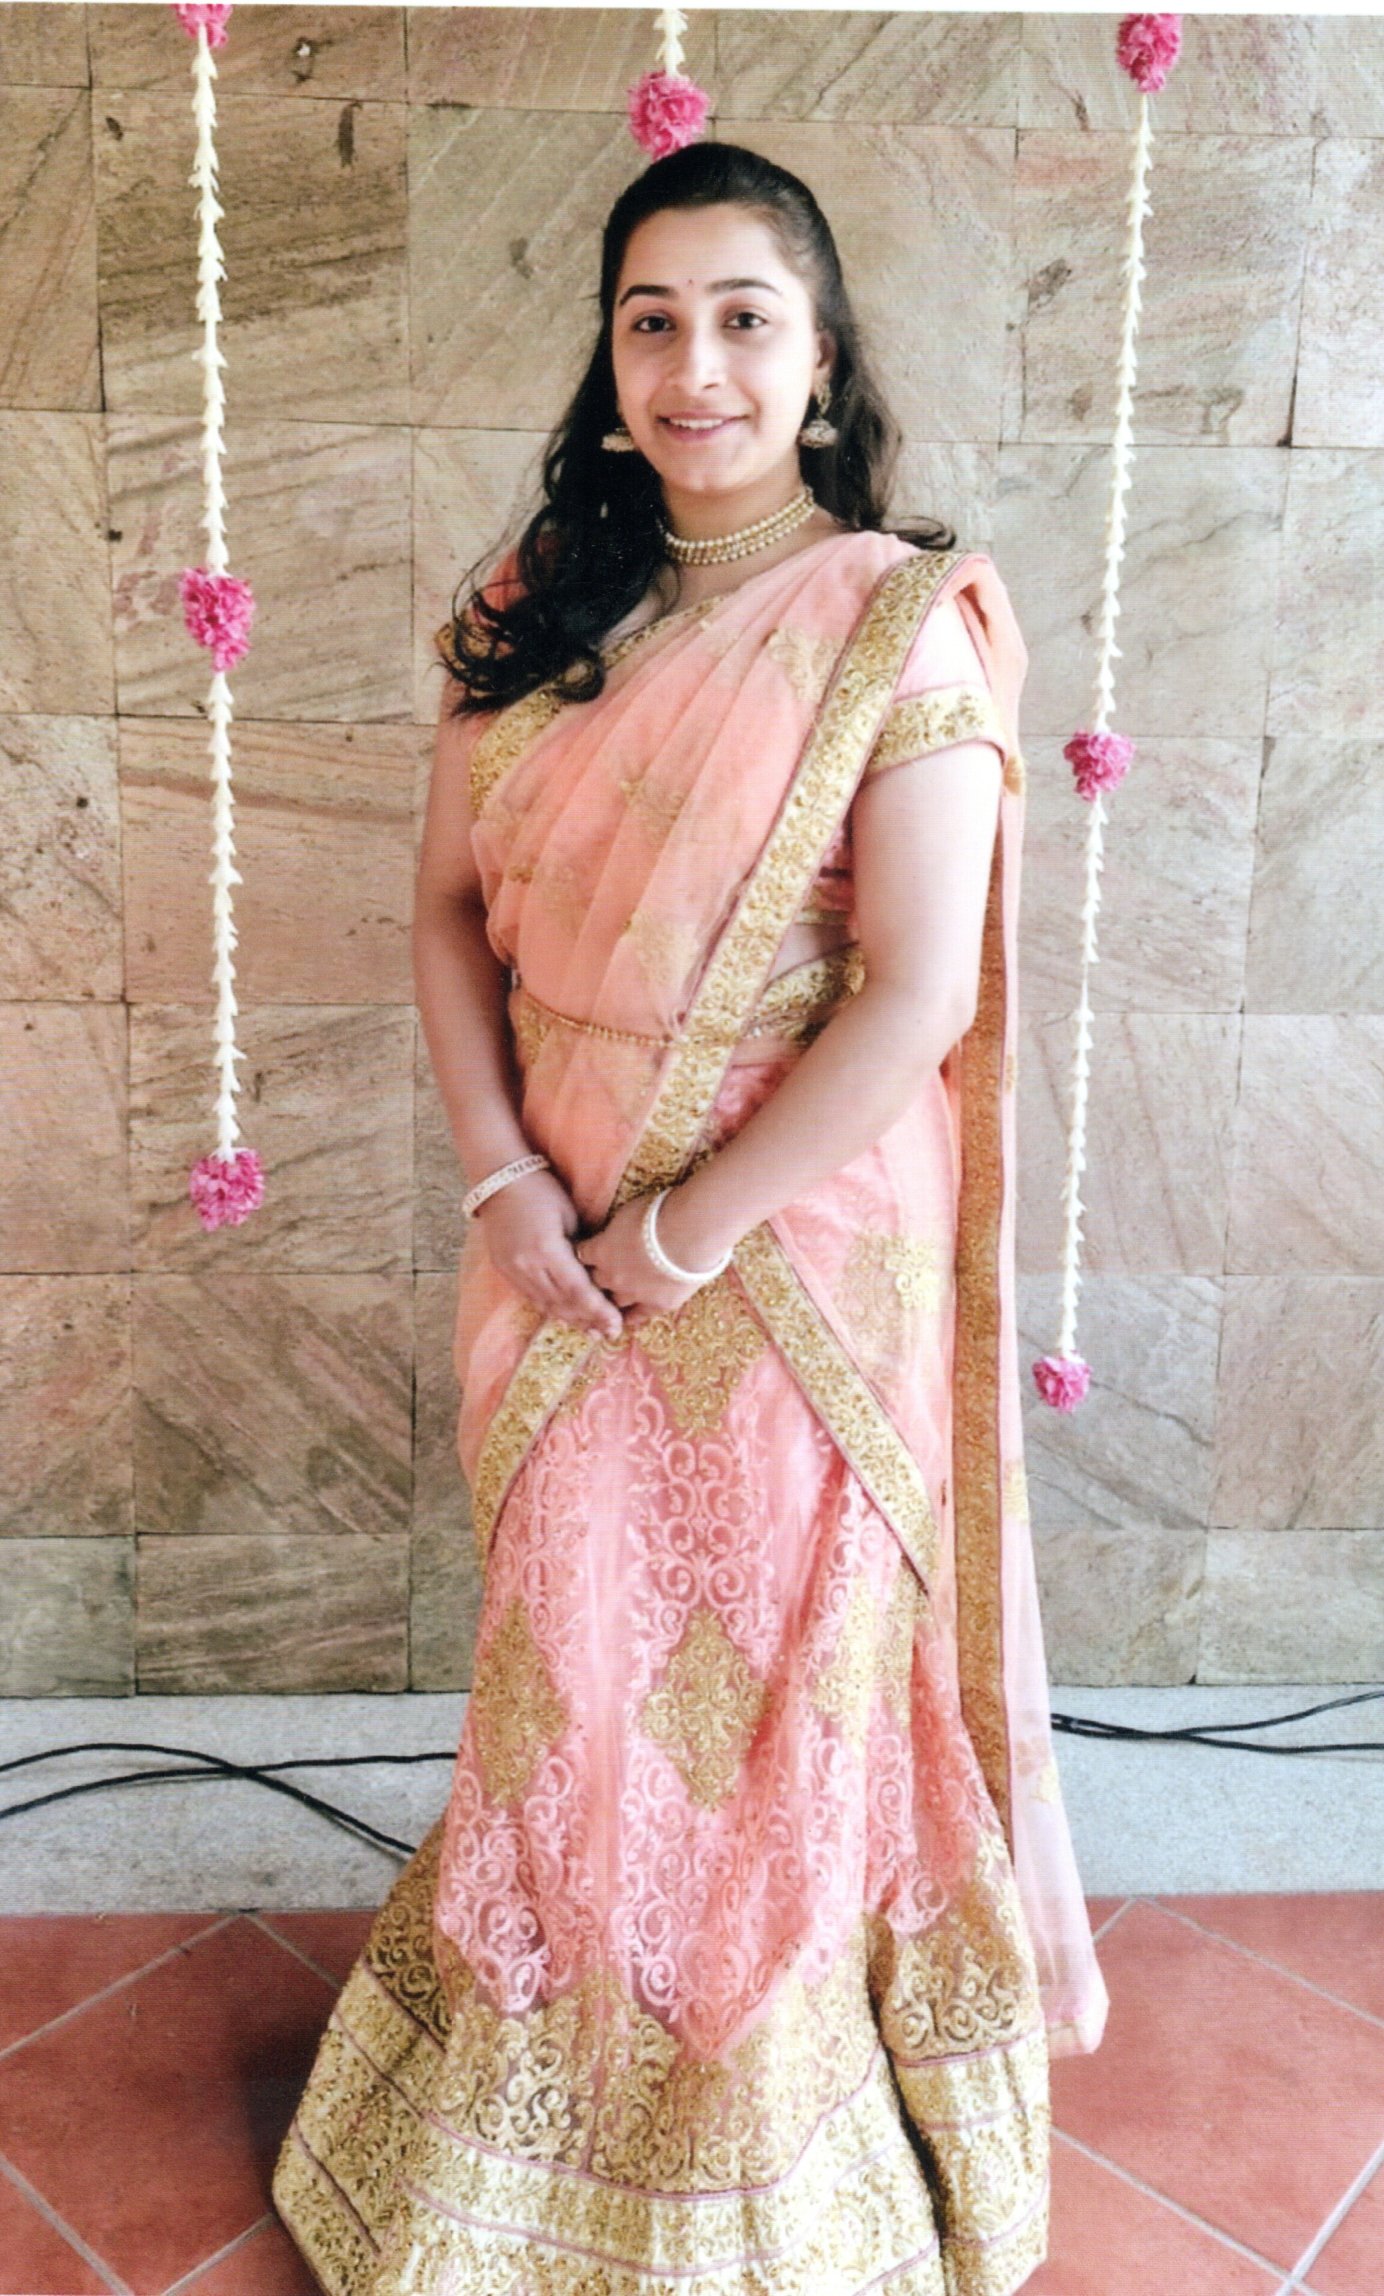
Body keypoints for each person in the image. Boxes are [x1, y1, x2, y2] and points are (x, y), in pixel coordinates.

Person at [273, 138, 1108, 2296]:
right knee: (571, 1681)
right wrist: (505, 1182)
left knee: (773, 1715)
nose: (695, 364)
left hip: (792, 1253)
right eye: (652, 320)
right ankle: (520, 2137)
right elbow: (446, 919)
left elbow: (912, 992)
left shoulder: (897, 614)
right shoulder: (539, 601)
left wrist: (685, 1230)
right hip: (549, 1226)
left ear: (820, 362)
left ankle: (766, 2161)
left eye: (745, 318)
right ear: (610, 356)